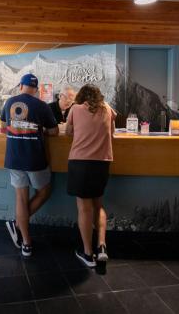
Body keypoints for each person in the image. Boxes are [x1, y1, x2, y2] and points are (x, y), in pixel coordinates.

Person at [0, 74, 59, 257]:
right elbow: (55, 131)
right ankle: (17, 223)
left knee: (20, 199)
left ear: (21, 86)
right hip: (35, 158)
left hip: (14, 157)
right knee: (44, 192)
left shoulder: (9, 102)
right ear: (36, 89)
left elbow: (2, 128)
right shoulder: (41, 105)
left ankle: (26, 244)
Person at [66, 84, 116, 267]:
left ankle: (88, 254)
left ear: (80, 96)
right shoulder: (108, 109)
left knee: (84, 208)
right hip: (102, 163)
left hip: (80, 162)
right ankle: (101, 246)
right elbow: (112, 132)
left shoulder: (75, 109)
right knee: (99, 205)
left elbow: (68, 132)